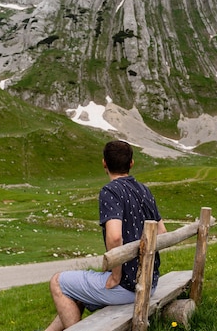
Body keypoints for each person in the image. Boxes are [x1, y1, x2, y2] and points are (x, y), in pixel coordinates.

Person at [43, 140, 167, 331]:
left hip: (128, 287)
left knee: (58, 282)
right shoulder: (145, 190)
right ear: (131, 163)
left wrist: (116, 276)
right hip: (150, 283)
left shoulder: (111, 191)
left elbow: (115, 236)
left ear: (104, 164)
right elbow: (163, 233)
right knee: (77, 288)